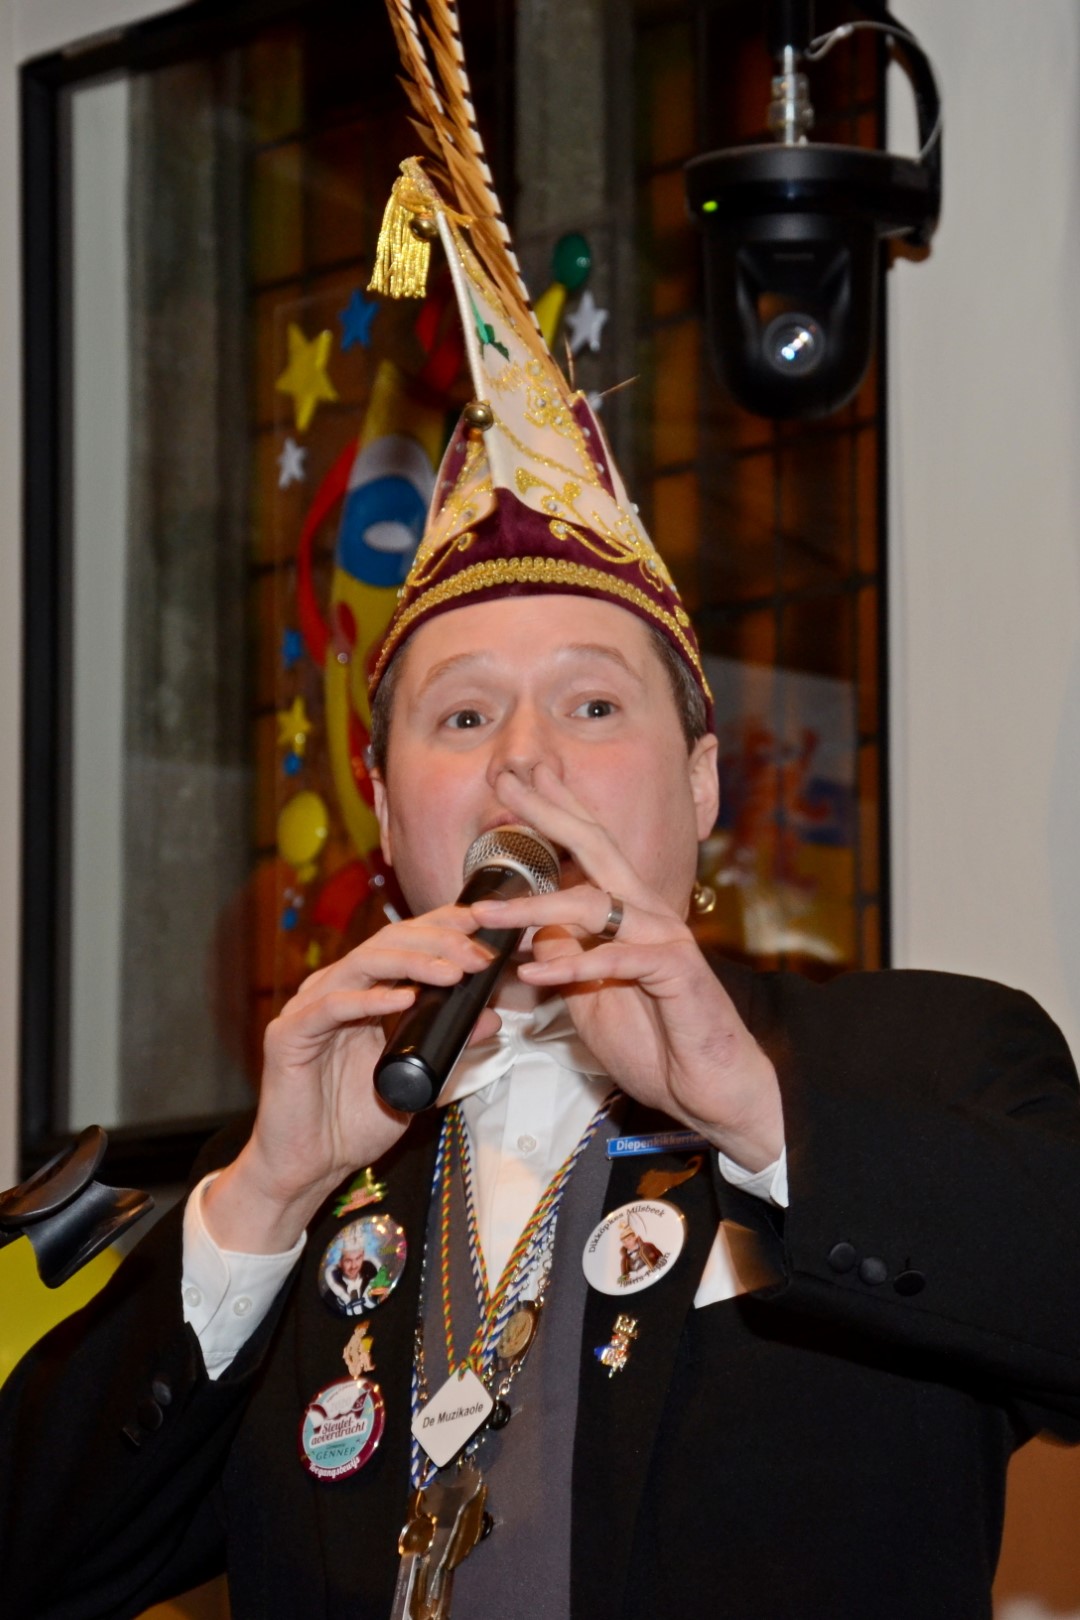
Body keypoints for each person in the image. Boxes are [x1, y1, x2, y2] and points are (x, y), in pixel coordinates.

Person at [4, 6, 1080, 1616]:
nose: (523, 761)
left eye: (591, 705)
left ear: (702, 783)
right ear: (386, 814)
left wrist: (752, 1111)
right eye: (461, 716)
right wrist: (259, 1198)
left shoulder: (921, 1059)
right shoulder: (320, 1159)